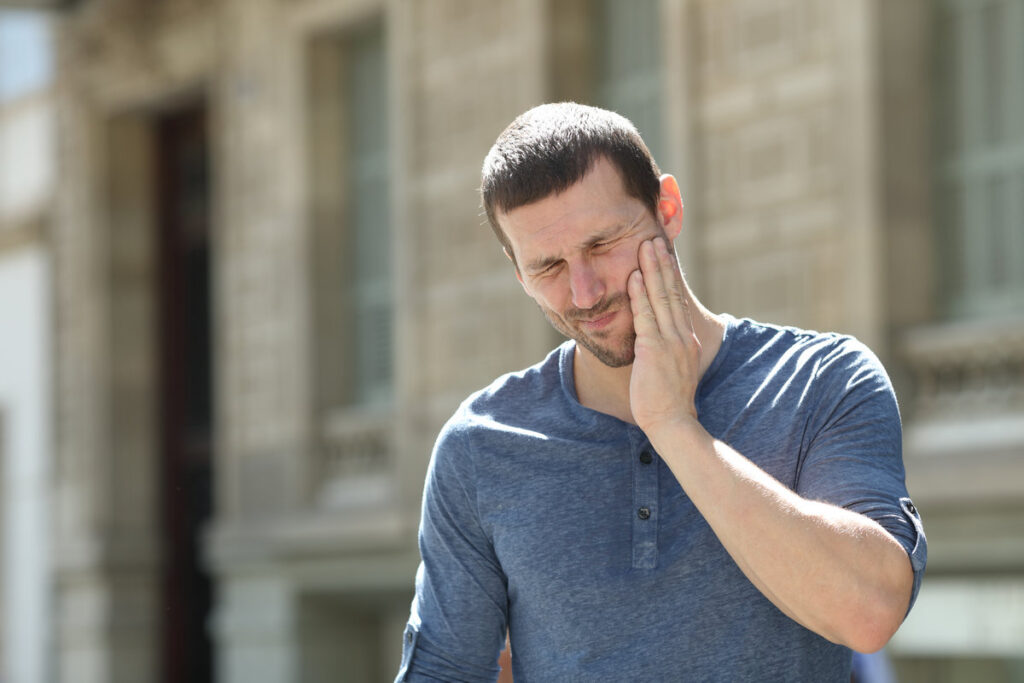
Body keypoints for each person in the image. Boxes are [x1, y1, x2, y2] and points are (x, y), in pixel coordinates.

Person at [396, 102, 926, 682]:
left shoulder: (823, 379)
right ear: (519, 274)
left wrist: (675, 426)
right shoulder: (480, 446)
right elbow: (442, 671)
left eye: (602, 243)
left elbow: (869, 613)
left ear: (666, 209)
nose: (584, 291)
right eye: (547, 266)